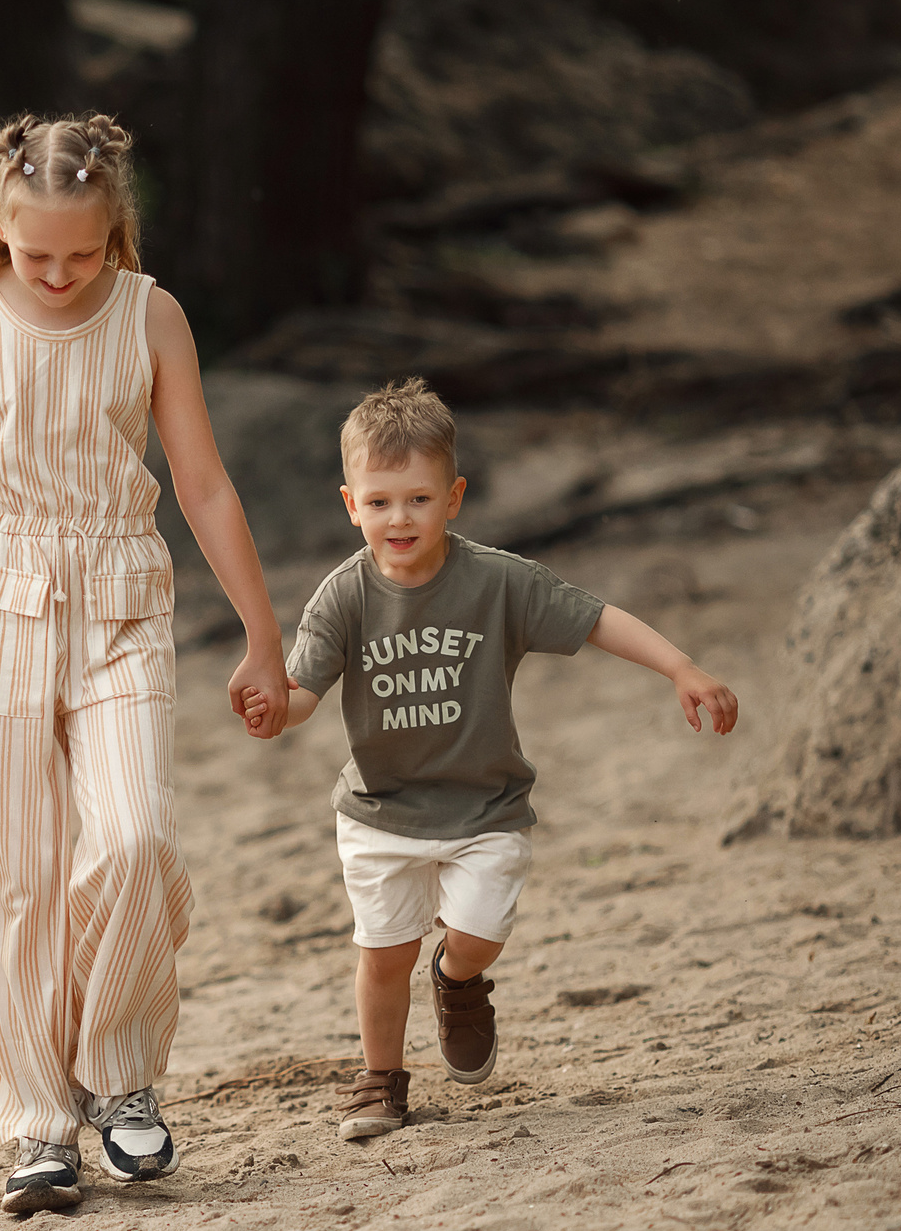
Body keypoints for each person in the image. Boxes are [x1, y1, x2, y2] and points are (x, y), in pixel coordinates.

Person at [0, 113, 289, 1215]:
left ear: (114, 229)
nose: (61, 275)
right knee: (9, 877)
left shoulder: (151, 314)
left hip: (122, 597)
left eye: (83, 253)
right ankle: (33, 1120)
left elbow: (203, 482)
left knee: (133, 837)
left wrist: (261, 631)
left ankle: (119, 1076)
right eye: (37, 255)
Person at [251, 379, 740, 1140]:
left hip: (486, 807)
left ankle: (458, 978)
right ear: (350, 505)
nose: (398, 518)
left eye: (417, 498)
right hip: (382, 811)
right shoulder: (344, 595)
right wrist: (276, 705)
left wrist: (681, 667)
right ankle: (382, 1079)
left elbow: (597, 618)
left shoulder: (498, 580)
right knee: (383, 953)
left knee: (475, 931)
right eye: (378, 503)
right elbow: (306, 688)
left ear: (454, 496)